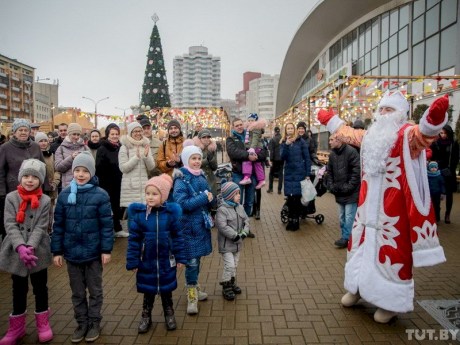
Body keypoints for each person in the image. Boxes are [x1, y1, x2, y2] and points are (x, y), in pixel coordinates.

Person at [317, 91, 448, 323]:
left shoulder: (406, 135)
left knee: (392, 253)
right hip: (367, 211)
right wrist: (331, 121)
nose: (384, 113)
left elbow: (424, 136)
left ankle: (390, 302)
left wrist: (433, 120)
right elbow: (349, 134)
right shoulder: (371, 135)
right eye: (382, 109)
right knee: (359, 247)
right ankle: (357, 288)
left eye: (390, 109)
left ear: (400, 113)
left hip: (393, 213)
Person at [51, 151, 114, 343]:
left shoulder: (101, 195)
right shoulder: (64, 196)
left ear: (91, 173)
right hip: (72, 254)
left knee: (95, 291)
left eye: (84, 171)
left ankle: (94, 322)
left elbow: (106, 226)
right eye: (77, 170)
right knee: (77, 292)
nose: (80, 174)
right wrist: (57, 251)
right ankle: (82, 323)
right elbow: (58, 225)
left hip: (94, 253)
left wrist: (106, 250)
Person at [0, 159, 53, 344]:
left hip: (38, 251)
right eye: (26, 176)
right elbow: (9, 224)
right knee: (18, 289)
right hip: (16, 253)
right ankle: (17, 327)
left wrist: (30, 246)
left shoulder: (45, 200)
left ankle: (43, 324)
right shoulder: (11, 198)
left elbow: (41, 226)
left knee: (40, 288)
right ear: (21, 177)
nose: (30, 180)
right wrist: (20, 247)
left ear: (40, 180)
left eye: (34, 177)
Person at [126, 174, 185, 333]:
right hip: (147, 261)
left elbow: (178, 237)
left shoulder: (170, 215)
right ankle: (146, 315)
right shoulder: (140, 216)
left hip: (166, 261)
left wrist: (180, 257)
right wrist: (133, 261)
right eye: (148, 193)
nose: (150, 197)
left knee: (167, 290)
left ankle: (169, 312)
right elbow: (134, 240)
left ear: (164, 196)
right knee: (148, 290)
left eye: (155, 194)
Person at [173, 145, 214, 315]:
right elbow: (181, 205)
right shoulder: (181, 180)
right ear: (186, 160)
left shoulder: (202, 177)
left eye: (198, 158)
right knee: (191, 262)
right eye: (193, 159)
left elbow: (207, 198)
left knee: (196, 261)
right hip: (188, 227)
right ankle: (191, 296)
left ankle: (195, 287)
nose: (197, 162)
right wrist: (204, 197)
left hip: (200, 226)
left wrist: (211, 200)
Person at [0, 119, 45, 240]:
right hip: (13, 192)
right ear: (14, 132)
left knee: (33, 221)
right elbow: (1, 171)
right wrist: (2, 192)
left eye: (26, 130)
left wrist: (43, 187)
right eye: (20, 130)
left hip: (34, 192)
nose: (23, 132)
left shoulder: (35, 146)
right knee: (14, 223)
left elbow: (42, 167)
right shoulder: (5, 148)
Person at [226, 118, 267, 229]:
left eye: (241, 125)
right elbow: (233, 152)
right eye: (236, 125)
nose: (239, 127)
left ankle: (245, 226)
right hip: (238, 174)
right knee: (237, 201)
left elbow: (264, 152)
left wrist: (256, 156)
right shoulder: (230, 139)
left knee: (249, 202)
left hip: (252, 174)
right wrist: (248, 155)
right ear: (233, 127)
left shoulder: (251, 134)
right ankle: (236, 226)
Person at [215, 180, 249, 301]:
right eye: (236, 194)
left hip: (238, 244)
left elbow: (246, 221)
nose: (239, 196)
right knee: (229, 265)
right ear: (229, 195)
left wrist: (245, 232)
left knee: (234, 265)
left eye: (239, 193)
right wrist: (234, 235)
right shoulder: (222, 210)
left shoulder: (239, 207)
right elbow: (222, 226)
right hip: (227, 244)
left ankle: (232, 282)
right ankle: (226, 286)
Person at [325, 134, 361, 248]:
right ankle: (345, 236)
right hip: (339, 191)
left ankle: (346, 238)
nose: (329, 142)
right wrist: (331, 185)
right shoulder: (332, 155)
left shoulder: (351, 152)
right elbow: (329, 172)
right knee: (342, 217)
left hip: (351, 192)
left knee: (349, 216)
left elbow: (356, 172)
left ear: (339, 140)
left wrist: (349, 186)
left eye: (331, 140)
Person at [280, 122, 311, 231]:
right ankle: (291, 220)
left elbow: (307, 158)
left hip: (299, 172)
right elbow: (282, 157)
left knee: (297, 198)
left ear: (294, 130)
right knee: (290, 198)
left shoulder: (301, 142)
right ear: (285, 130)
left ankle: (296, 220)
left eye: (291, 128)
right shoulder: (283, 142)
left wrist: (307, 173)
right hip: (289, 173)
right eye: (288, 128)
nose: (290, 130)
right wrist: (286, 145)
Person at [119, 122, 156, 212]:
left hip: (144, 186)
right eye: (135, 131)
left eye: (140, 131)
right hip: (130, 188)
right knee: (132, 218)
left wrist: (146, 156)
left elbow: (151, 167)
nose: (138, 133)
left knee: (144, 217)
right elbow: (123, 168)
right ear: (130, 133)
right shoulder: (125, 147)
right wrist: (136, 158)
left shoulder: (145, 145)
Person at [96, 124, 125, 237]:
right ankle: (107, 232)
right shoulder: (102, 148)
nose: (114, 136)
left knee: (117, 206)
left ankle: (117, 229)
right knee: (108, 208)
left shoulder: (121, 147)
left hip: (119, 181)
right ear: (108, 135)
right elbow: (99, 168)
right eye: (112, 134)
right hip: (107, 183)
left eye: (117, 134)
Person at [430, 124, 459, 224]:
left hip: (449, 172)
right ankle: (437, 214)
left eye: (445, 133)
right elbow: (432, 156)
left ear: (449, 133)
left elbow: (456, 158)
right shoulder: (435, 143)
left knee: (449, 194)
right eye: (441, 133)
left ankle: (448, 214)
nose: (443, 135)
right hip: (437, 171)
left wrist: (451, 169)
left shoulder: (453, 143)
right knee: (436, 194)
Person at [35, 132, 61, 233]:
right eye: (40, 141)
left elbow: (57, 171)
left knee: (50, 213)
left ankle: (49, 231)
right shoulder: (34, 155)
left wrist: (55, 182)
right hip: (38, 190)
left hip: (50, 190)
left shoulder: (52, 155)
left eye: (45, 140)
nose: (43, 143)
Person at [54, 122, 90, 189]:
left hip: (84, 185)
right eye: (74, 134)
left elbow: (91, 167)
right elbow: (58, 168)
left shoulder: (85, 148)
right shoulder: (61, 148)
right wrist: (71, 158)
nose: (76, 137)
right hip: (68, 186)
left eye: (78, 134)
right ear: (69, 134)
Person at [239, 113, 266, 189]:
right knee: (257, 164)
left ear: (256, 121)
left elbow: (255, 139)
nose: (250, 122)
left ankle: (247, 177)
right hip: (256, 147)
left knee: (247, 160)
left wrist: (252, 148)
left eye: (252, 120)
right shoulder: (250, 128)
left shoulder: (256, 128)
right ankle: (261, 180)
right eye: (249, 120)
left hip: (255, 147)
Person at [193, 129, 218, 197]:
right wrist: (206, 160)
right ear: (199, 138)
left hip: (210, 178)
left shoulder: (212, 149)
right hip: (199, 178)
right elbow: (194, 165)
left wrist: (211, 158)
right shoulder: (195, 149)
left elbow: (215, 167)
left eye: (208, 137)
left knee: (212, 199)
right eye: (204, 137)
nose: (206, 139)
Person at [267, 126, 283, 194]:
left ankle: (270, 188)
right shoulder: (282, 139)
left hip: (274, 159)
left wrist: (271, 159)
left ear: (274, 131)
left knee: (271, 174)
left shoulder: (273, 139)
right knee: (280, 174)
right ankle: (279, 190)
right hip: (281, 158)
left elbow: (271, 150)